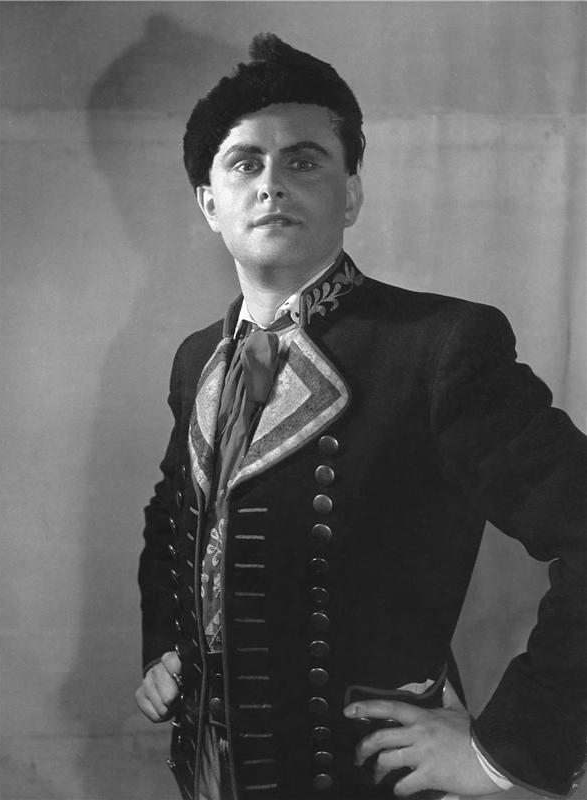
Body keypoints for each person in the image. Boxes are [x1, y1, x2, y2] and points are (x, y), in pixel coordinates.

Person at [135, 33, 586, 800]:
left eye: (303, 161)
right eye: (245, 163)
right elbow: (174, 513)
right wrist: (165, 647)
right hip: (208, 770)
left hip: (357, 773)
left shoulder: (440, 347)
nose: (272, 185)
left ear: (349, 194)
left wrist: (506, 751)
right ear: (210, 204)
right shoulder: (196, 358)